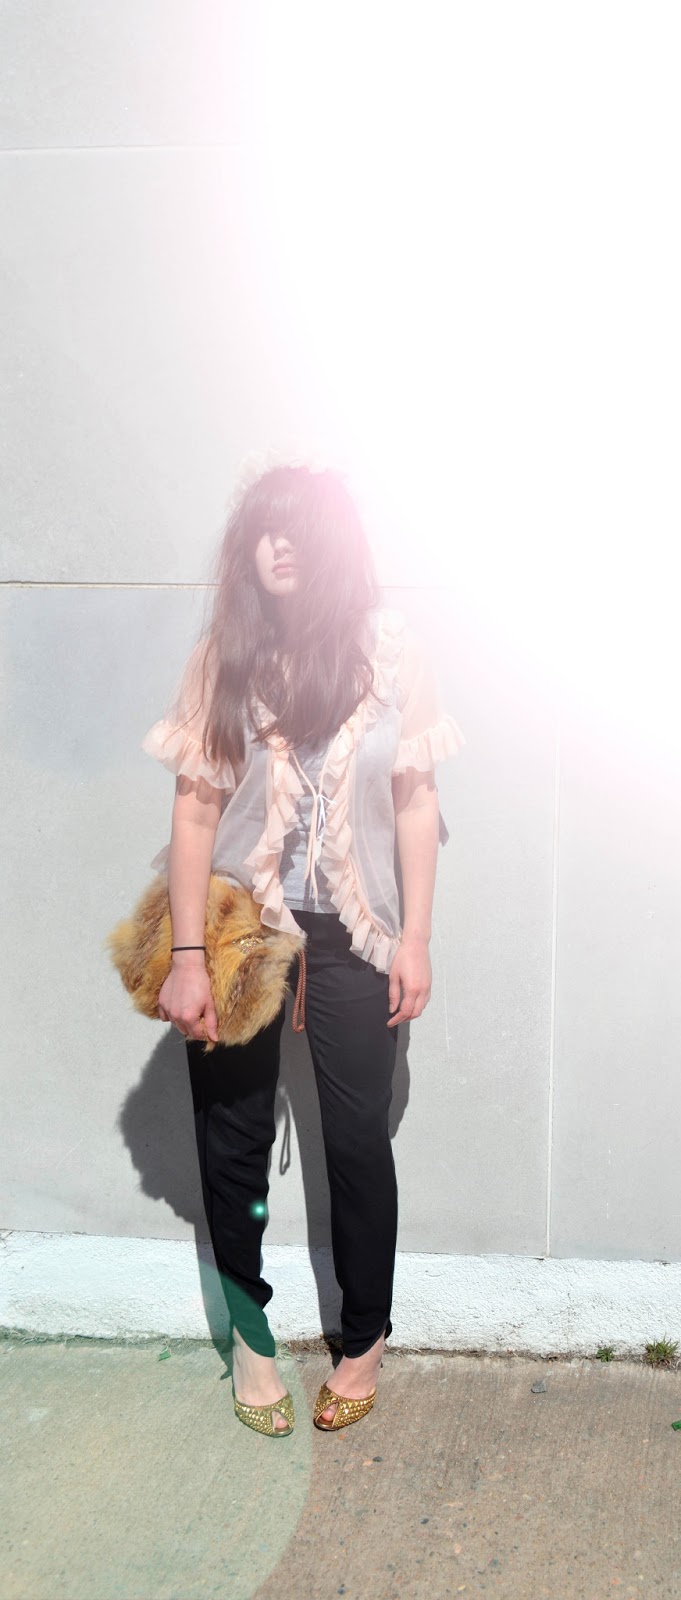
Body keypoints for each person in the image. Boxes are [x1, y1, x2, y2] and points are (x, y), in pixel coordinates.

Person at [143, 458, 465, 1435]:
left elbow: (416, 799)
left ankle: (363, 1341)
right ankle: (251, 1340)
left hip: (356, 931)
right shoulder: (224, 657)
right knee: (233, 1141)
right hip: (240, 927)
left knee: (359, 1140)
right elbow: (195, 811)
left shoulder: (391, 652)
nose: (279, 544)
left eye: (298, 528)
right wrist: (187, 955)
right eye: (263, 529)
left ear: (332, 544)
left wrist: (414, 938)